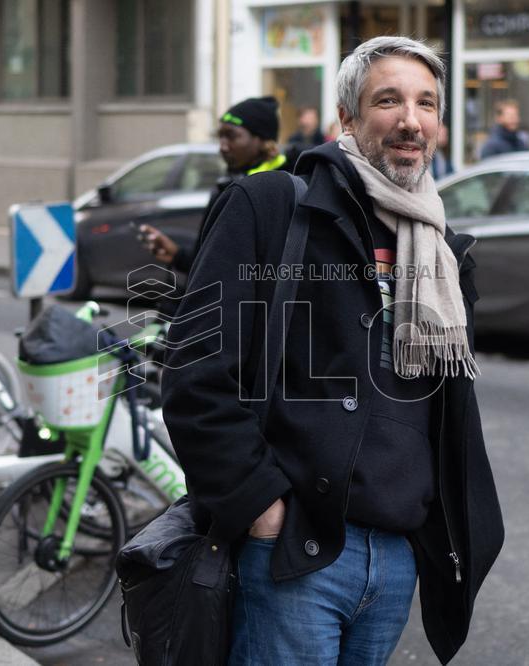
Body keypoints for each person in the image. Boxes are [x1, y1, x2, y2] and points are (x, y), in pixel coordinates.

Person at [160, 35, 504, 665]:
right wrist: (262, 509)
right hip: (295, 551)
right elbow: (193, 372)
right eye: (389, 100)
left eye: (427, 103)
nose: (411, 119)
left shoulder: (444, 250)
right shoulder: (270, 208)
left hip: (397, 559)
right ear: (346, 118)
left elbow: (444, 411)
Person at [139, 96, 287, 273]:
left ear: (262, 140)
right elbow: (211, 261)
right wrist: (176, 255)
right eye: (221, 137)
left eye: (232, 136)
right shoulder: (228, 185)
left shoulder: (283, 187)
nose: (223, 147)